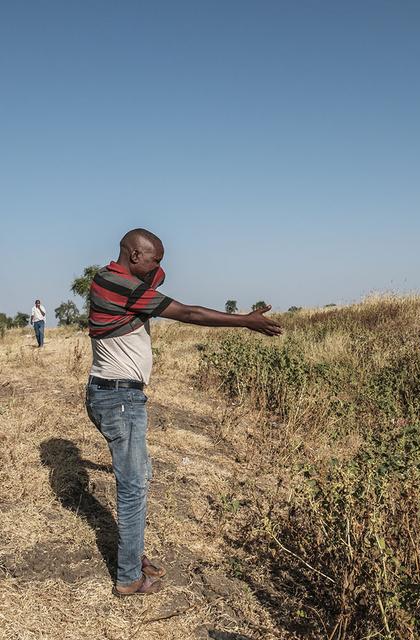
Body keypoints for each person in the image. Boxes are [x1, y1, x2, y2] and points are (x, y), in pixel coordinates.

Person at [85, 228, 282, 596]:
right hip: (119, 399)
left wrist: (152, 265)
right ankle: (128, 578)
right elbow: (188, 312)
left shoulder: (109, 276)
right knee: (133, 487)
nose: (159, 267)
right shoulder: (123, 286)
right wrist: (245, 321)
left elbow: (157, 276)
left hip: (109, 394)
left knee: (140, 478)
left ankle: (132, 551)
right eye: (154, 259)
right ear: (133, 257)